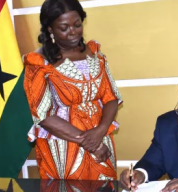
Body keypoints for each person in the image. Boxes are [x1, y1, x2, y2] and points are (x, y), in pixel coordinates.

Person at [23, 0, 122, 180]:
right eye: (64, 27)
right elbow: (43, 115)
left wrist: (100, 131)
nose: (73, 32)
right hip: (64, 145)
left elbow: (111, 97)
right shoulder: (39, 62)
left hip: (101, 137)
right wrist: (91, 143)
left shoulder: (95, 53)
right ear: (50, 29)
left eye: (77, 25)